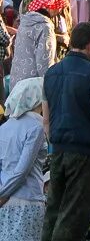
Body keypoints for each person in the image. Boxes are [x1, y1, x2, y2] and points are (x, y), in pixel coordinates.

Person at [42, 22, 90, 241]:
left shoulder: (51, 72)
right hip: (83, 149)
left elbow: (46, 120)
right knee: (76, 213)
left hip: (58, 147)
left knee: (54, 209)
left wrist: (53, 145)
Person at [0, 77, 47, 241]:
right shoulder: (37, 127)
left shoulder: (4, 127)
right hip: (28, 201)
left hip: (4, 204)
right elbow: (22, 170)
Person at [10, 0, 70, 87]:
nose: (60, 11)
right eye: (60, 6)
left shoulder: (26, 21)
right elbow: (45, 64)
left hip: (17, 82)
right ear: (53, 5)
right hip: (33, 88)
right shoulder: (45, 27)